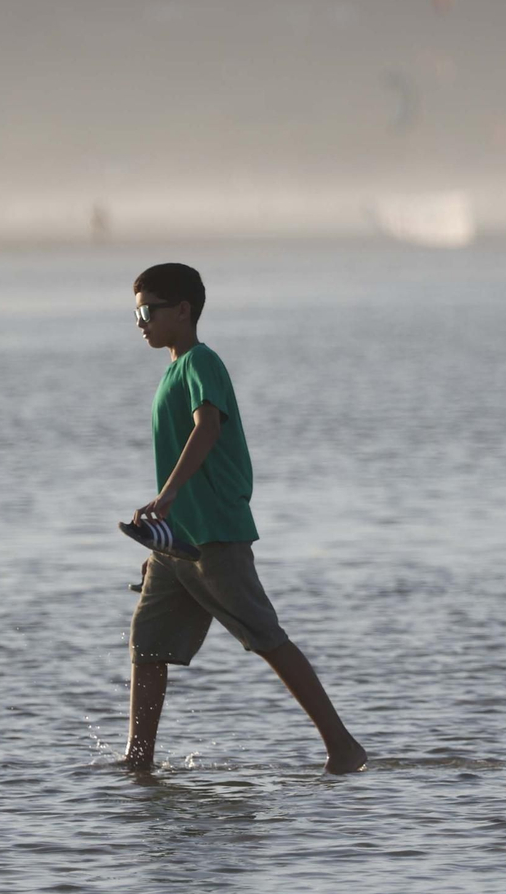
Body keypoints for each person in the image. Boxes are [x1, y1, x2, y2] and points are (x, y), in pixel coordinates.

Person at [124, 262, 366, 774]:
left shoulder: (201, 362)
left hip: (214, 535)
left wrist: (166, 495)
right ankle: (138, 760)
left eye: (149, 310)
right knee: (146, 646)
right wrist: (158, 542)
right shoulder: (172, 370)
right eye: (136, 312)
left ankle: (343, 747)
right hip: (176, 542)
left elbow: (206, 428)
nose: (140, 321)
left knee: (266, 637)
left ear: (184, 310)